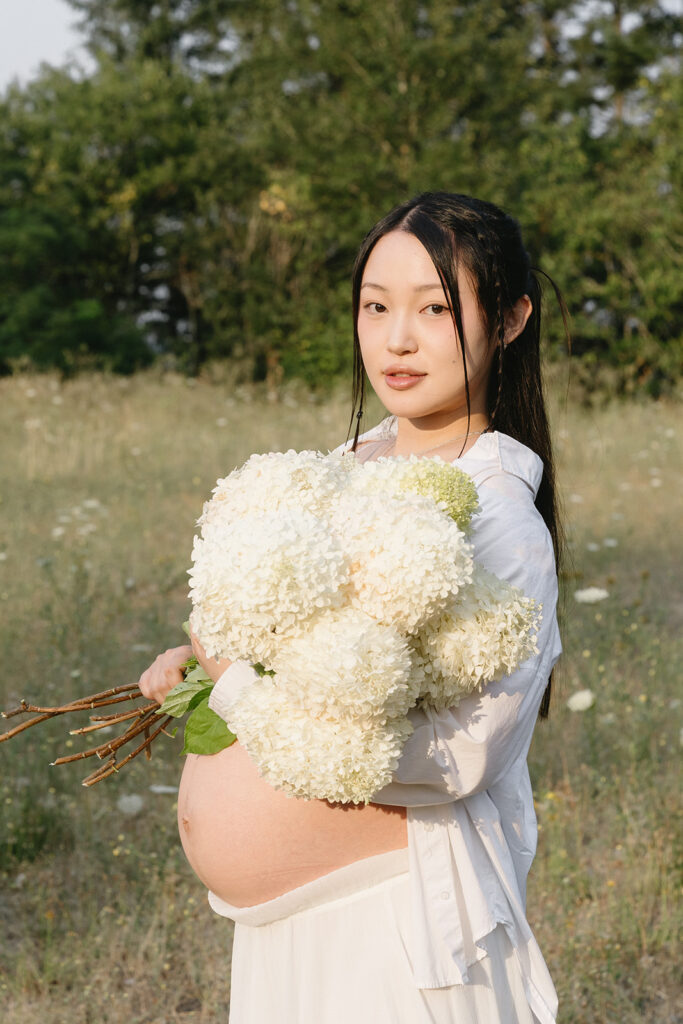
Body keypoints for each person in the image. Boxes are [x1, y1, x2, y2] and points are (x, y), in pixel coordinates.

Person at [139, 191, 565, 1023]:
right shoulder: (345, 464)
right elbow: (307, 648)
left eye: (435, 309)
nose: (395, 339)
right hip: (289, 932)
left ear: (510, 319)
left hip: (389, 932)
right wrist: (214, 658)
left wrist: (239, 690)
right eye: (375, 307)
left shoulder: (498, 521)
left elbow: (462, 756)